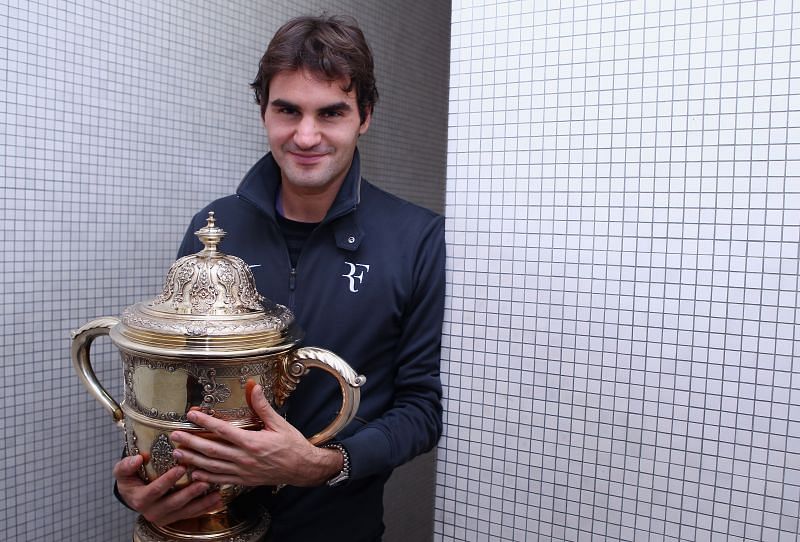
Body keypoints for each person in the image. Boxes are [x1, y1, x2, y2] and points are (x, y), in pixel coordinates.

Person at [112, 14, 445, 542]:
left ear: (364, 116)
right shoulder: (212, 227)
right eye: (287, 110)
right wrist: (138, 482)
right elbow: (170, 381)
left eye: (330, 112)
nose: (306, 135)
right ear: (263, 111)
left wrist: (321, 462)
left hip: (338, 527)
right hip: (204, 523)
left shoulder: (417, 237)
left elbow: (421, 410)